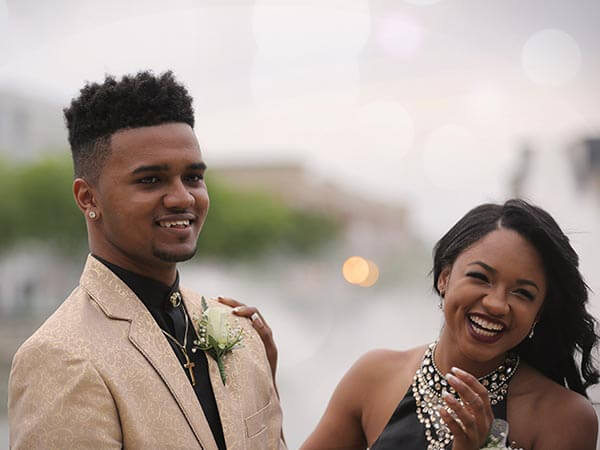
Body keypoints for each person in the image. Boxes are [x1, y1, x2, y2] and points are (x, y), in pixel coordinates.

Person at [8, 71, 285, 449]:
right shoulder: (61, 357)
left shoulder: (240, 334)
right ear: (88, 198)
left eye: (193, 177)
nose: (182, 198)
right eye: (151, 180)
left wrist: (264, 371)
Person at [302, 199, 599, 449]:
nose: (496, 304)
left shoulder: (564, 418)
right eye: (480, 277)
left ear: (539, 312)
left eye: (522, 293)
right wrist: (262, 380)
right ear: (445, 278)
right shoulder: (374, 377)